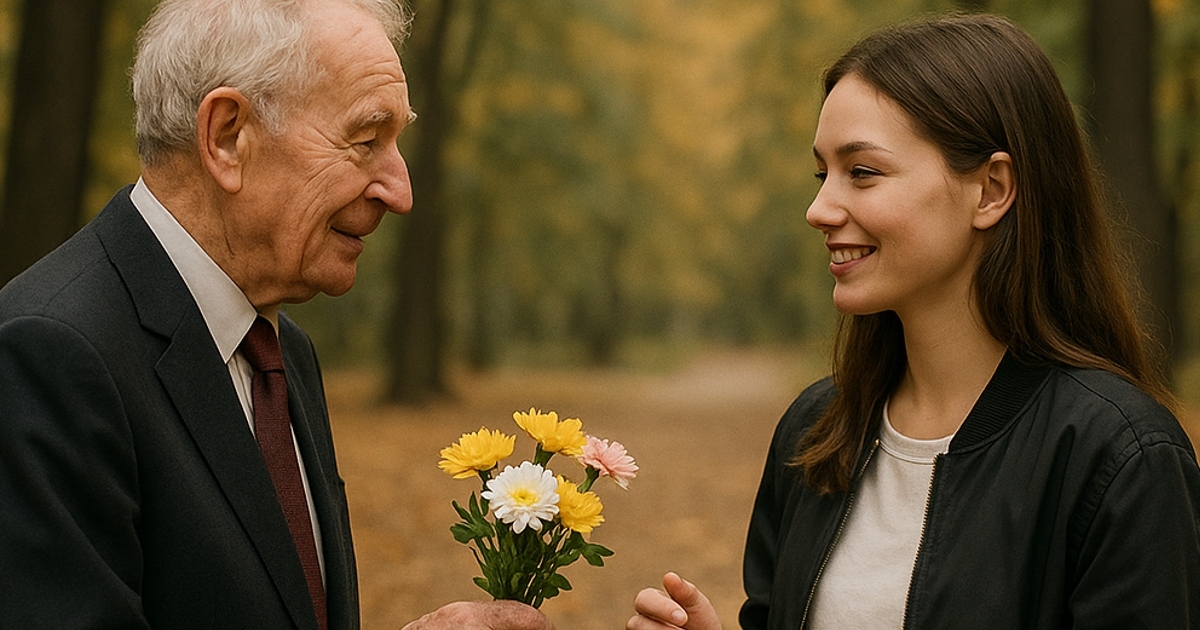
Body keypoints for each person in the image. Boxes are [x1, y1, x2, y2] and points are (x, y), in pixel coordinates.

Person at [629, 13, 1200, 630]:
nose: (819, 209)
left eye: (863, 172)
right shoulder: (815, 434)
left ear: (991, 190)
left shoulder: (1122, 459)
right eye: (823, 174)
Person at [0, 0, 552, 629]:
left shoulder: (281, 351)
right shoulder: (44, 358)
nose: (399, 192)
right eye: (366, 140)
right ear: (228, 136)